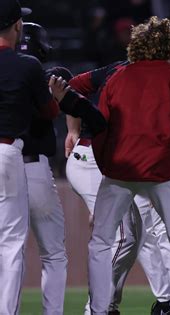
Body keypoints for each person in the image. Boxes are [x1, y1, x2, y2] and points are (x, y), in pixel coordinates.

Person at [66, 24, 170, 315]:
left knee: (141, 231)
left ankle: (163, 303)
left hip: (118, 162)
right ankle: (97, 307)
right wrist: (73, 129)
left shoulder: (156, 76)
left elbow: (71, 87)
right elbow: (69, 86)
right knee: (128, 235)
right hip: (95, 161)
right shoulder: (130, 72)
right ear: (169, 49)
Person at [0, 1, 58, 313]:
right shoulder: (27, 65)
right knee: (10, 244)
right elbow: (50, 110)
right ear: (17, 26)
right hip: (8, 153)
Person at [18, 22, 69, 315]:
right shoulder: (40, 73)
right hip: (34, 167)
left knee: (10, 253)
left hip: (5, 167)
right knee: (54, 254)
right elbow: (52, 110)